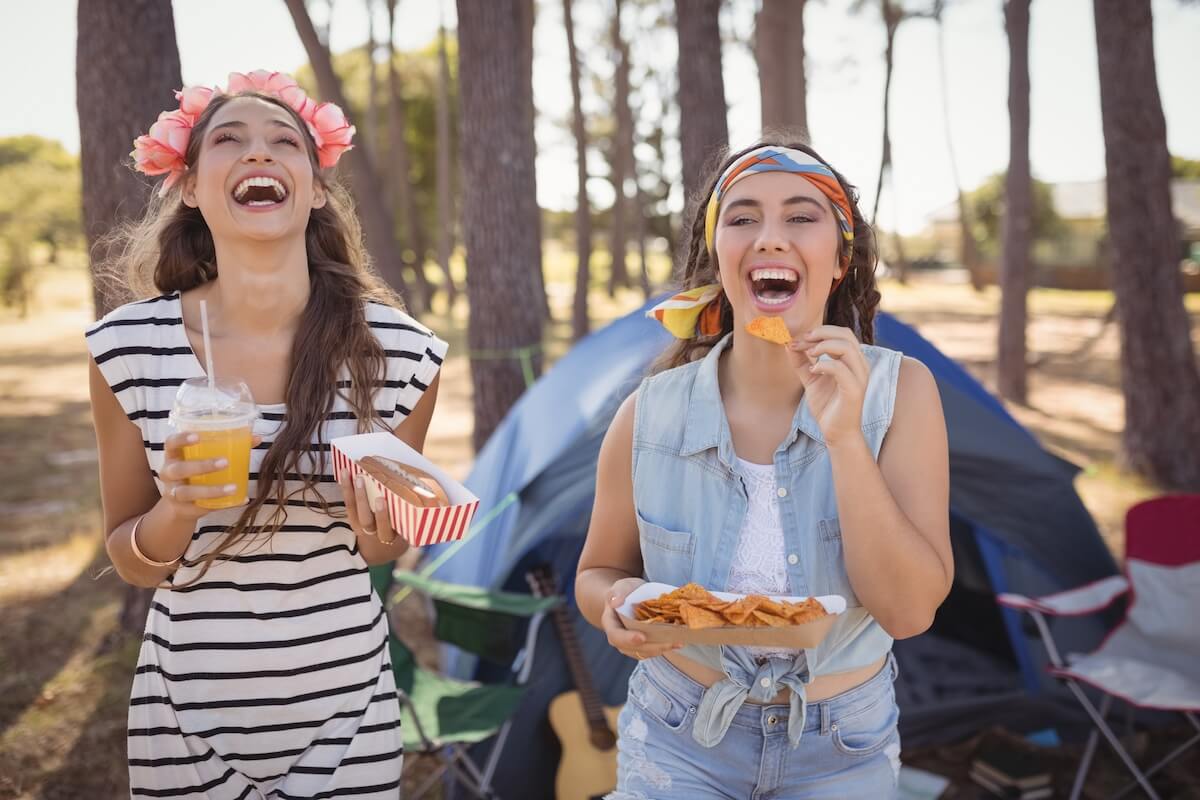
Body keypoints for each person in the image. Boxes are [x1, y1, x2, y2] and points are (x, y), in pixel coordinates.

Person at [86, 70, 446, 798]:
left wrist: (384, 518)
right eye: (230, 139)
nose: (260, 153)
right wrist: (178, 509)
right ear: (189, 185)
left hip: (346, 717)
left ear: (315, 189)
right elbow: (132, 559)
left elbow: (382, 551)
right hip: (184, 714)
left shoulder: (403, 352)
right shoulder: (127, 348)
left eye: (285, 142)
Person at [576, 141, 952, 798]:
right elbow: (595, 573)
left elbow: (909, 611)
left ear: (839, 260)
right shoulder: (649, 411)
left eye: (801, 217)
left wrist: (844, 440)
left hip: (844, 744)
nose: (770, 237)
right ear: (719, 255)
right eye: (743, 217)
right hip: (676, 734)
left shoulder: (903, 394)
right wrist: (615, 608)